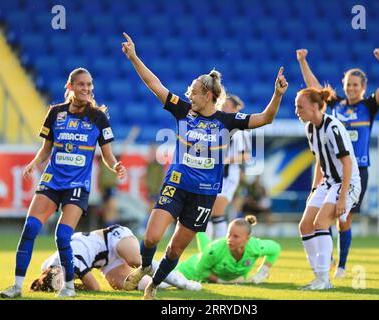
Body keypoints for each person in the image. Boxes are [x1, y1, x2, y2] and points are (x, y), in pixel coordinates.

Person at [121, 32, 288, 299]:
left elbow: (266, 118)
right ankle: (144, 267)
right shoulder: (183, 110)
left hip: (204, 194)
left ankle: (152, 287)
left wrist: (277, 94)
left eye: (193, 92)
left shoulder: (228, 120)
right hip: (176, 184)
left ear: (208, 94)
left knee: (175, 250)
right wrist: (133, 57)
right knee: (151, 238)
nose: (188, 94)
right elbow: (154, 84)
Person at [0, 68, 127, 298]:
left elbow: (108, 155)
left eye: (89, 85)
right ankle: (17, 286)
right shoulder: (55, 113)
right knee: (29, 229)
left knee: (62, 236)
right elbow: (46, 148)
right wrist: (33, 163)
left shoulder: (99, 117)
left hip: (77, 186)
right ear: (70, 87)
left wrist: (116, 165)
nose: (87, 89)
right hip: (51, 181)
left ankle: (68, 287)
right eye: (81, 85)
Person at [296, 48, 379, 278]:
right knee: (321, 221)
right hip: (332, 173)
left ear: (363, 88)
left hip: (356, 170)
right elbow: (315, 90)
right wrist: (303, 61)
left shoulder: (367, 107)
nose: (351, 89)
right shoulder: (334, 106)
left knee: (344, 221)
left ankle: (340, 266)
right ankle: (326, 262)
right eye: (348, 84)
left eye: (356, 85)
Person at [295, 86, 361, 290]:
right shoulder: (309, 128)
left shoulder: (332, 127)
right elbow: (319, 161)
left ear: (315, 106)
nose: (297, 111)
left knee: (321, 223)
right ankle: (319, 276)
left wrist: (342, 198)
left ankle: (324, 280)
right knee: (305, 226)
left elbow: (347, 163)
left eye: (300, 107)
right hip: (328, 182)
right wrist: (314, 190)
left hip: (346, 183)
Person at [29, 225, 201, 293]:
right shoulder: (47, 267)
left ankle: (184, 283)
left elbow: (93, 287)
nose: (66, 281)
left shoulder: (72, 264)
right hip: (104, 260)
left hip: (112, 237)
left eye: (62, 279)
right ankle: (171, 280)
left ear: (56, 270)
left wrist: (75, 287)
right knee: (130, 284)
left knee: (136, 260)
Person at [172, 215, 281, 285]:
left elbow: (275, 248)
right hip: (190, 273)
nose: (230, 239)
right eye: (229, 235)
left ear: (247, 239)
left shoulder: (255, 247)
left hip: (209, 254)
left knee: (206, 244)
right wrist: (220, 281)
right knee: (163, 280)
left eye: (236, 236)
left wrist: (262, 272)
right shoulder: (215, 249)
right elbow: (200, 269)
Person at [207, 94, 251, 239]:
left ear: (234, 109)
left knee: (216, 211)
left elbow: (246, 155)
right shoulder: (217, 125)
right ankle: (210, 249)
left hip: (228, 176)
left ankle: (218, 247)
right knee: (207, 211)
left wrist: (225, 160)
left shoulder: (240, 129)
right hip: (213, 174)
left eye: (225, 105)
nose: (221, 107)